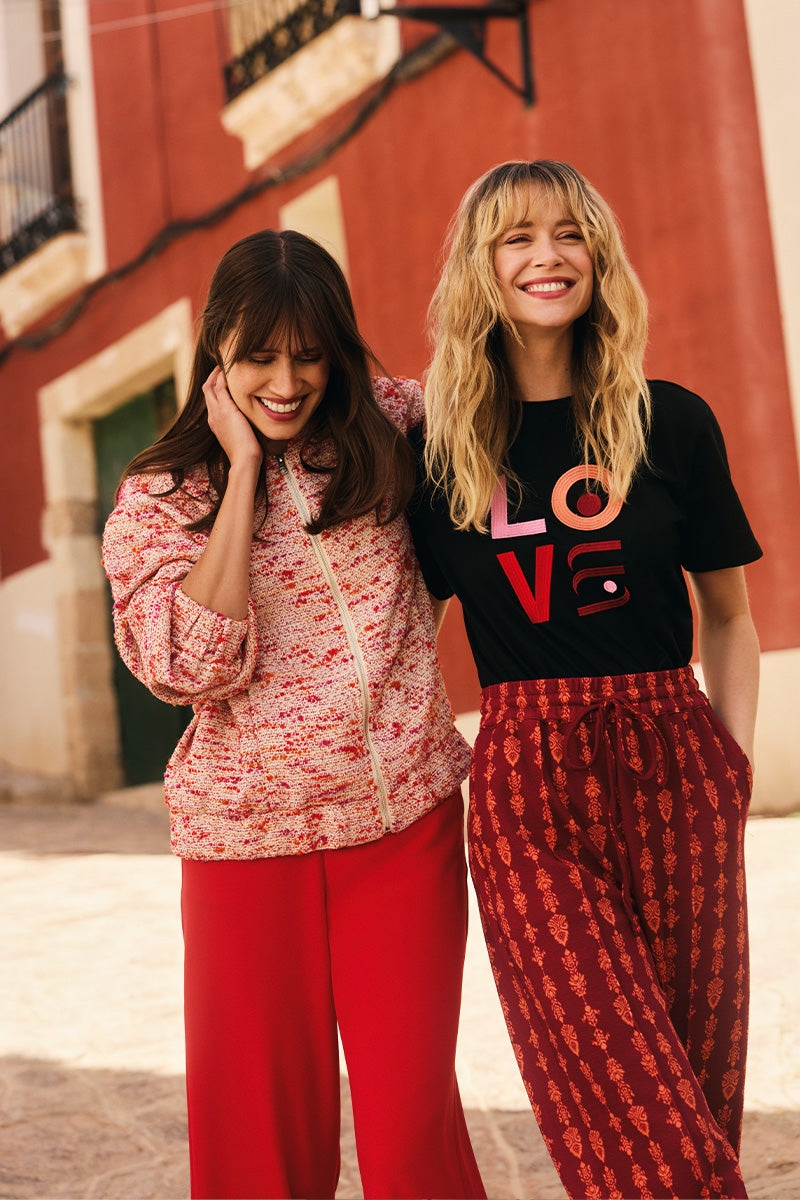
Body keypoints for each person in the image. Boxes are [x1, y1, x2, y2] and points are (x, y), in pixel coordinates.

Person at [101, 229, 486, 1200]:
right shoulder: (158, 495)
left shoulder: (391, 430)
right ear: (216, 354)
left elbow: (497, 394)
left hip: (402, 833)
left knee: (412, 1137)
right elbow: (188, 667)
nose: (285, 382)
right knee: (256, 1151)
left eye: (307, 354)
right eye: (259, 357)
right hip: (243, 852)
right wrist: (239, 475)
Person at [408, 160, 761, 1200]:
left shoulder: (670, 422)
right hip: (526, 783)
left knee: (697, 1071)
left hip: (675, 757)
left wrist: (730, 767)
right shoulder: (438, 449)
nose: (547, 256)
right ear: (480, 266)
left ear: (599, 259)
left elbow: (730, 617)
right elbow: (406, 629)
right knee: (617, 1080)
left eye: (569, 234)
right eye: (517, 238)